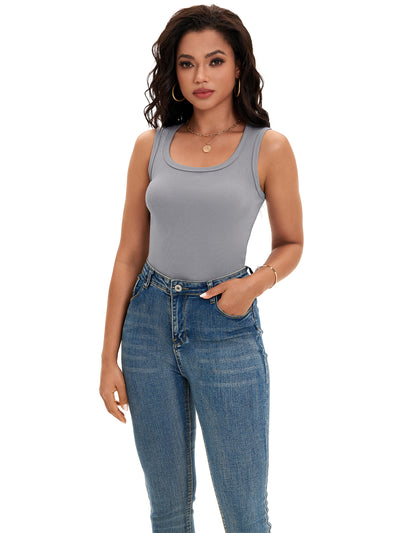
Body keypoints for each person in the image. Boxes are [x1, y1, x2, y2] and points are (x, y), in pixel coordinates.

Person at [99, 4, 303, 532]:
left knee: (244, 513)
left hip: (225, 325)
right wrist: (107, 357)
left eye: (215, 61)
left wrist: (252, 285)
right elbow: (128, 255)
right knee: (167, 510)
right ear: (174, 71)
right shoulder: (151, 146)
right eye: (187, 64)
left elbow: (291, 243)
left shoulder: (268, 147)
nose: (200, 76)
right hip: (146, 326)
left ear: (239, 67)